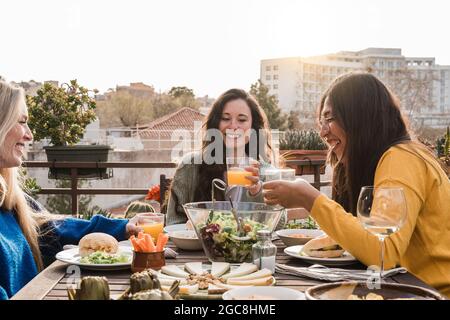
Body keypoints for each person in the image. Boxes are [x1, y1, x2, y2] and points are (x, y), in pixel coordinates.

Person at [262, 73, 450, 297]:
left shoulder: (401, 159)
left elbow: (383, 250)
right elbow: (362, 238)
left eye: (330, 119)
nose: (322, 132)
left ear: (361, 117)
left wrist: (310, 198)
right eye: (322, 122)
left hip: (431, 292)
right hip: (404, 287)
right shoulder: (380, 160)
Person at [0, 81, 145, 300]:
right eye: (21, 122)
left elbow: (49, 228)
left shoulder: (12, 201)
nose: (30, 135)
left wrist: (124, 227)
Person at [165, 88, 284, 226]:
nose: (233, 126)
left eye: (242, 119)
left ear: (253, 127)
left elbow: (279, 224)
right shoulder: (190, 165)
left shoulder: (267, 172)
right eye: (225, 118)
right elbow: (173, 222)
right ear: (216, 123)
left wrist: (257, 192)